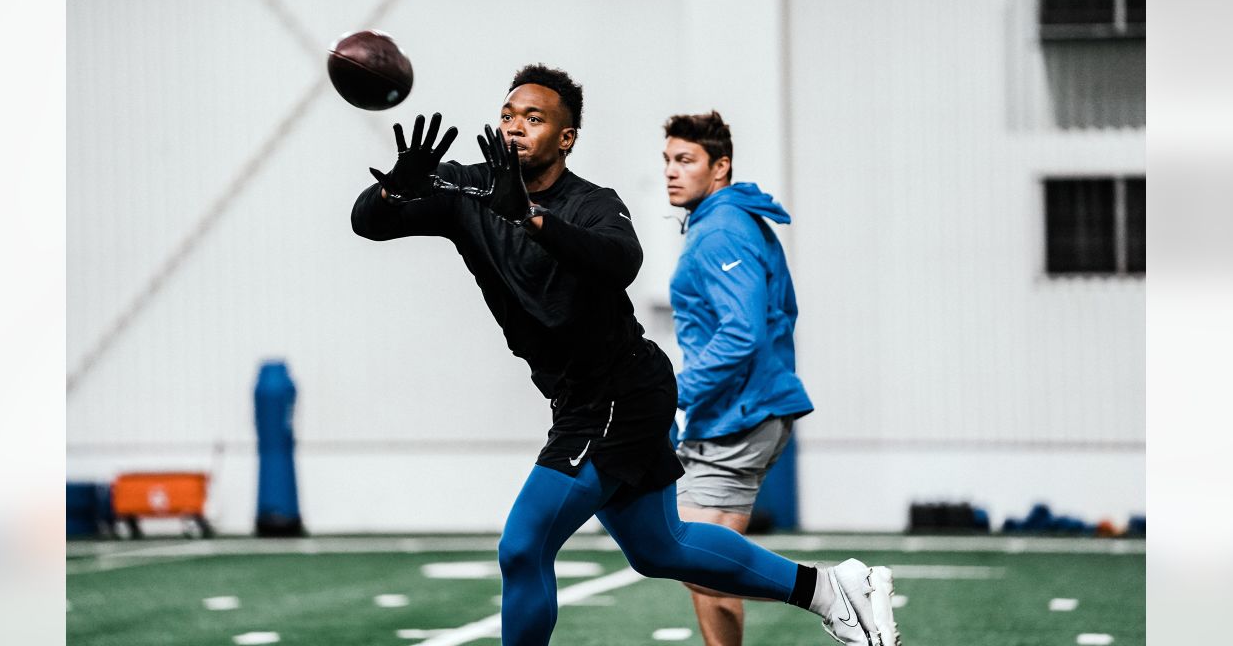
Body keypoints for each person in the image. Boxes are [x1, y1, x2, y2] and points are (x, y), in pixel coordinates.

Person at [351, 64, 896, 645]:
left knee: (523, 544)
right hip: (582, 397)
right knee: (662, 548)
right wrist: (395, 190)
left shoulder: (590, 203)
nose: (515, 127)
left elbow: (620, 261)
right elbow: (366, 223)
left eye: (533, 119)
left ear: (566, 138)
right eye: (508, 115)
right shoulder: (468, 189)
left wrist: (530, 218)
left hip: (618, 393)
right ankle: (830, 589)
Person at [662, 111, 900, 646]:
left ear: (719, 167)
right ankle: (834, 590)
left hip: (740, 413)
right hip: (736, 412)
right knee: (702, 568)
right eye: (668, 160)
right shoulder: (721, 222)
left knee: (696, 558)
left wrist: (678, 392)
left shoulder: (722, 229)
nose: (672, 172)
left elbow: (742, 330)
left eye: (686, 160)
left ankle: (837, 589)